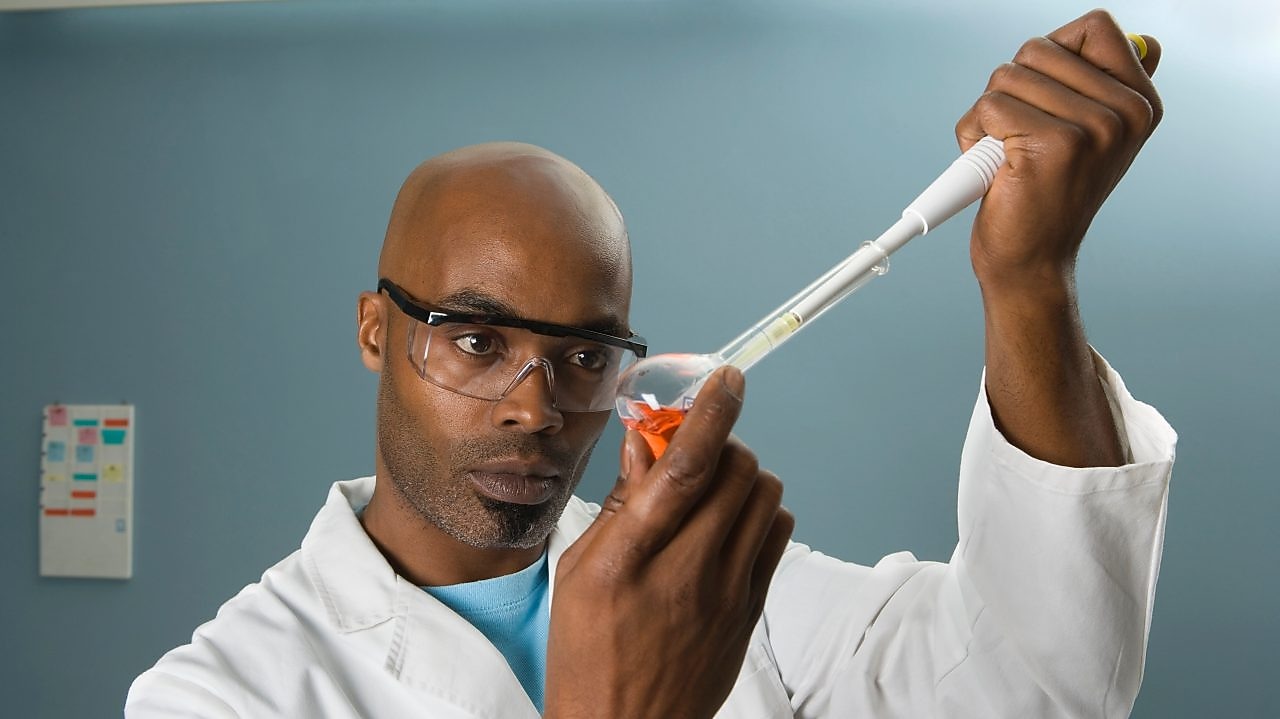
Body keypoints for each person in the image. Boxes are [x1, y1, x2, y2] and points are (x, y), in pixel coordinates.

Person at [126, 10, 1176, 718]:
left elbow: (1040, 681)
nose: (536, 407)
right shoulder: (224, 691)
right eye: (478, 339)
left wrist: (1028, 275)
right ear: (373, 328)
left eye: (584, 353)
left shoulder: (707, 578)